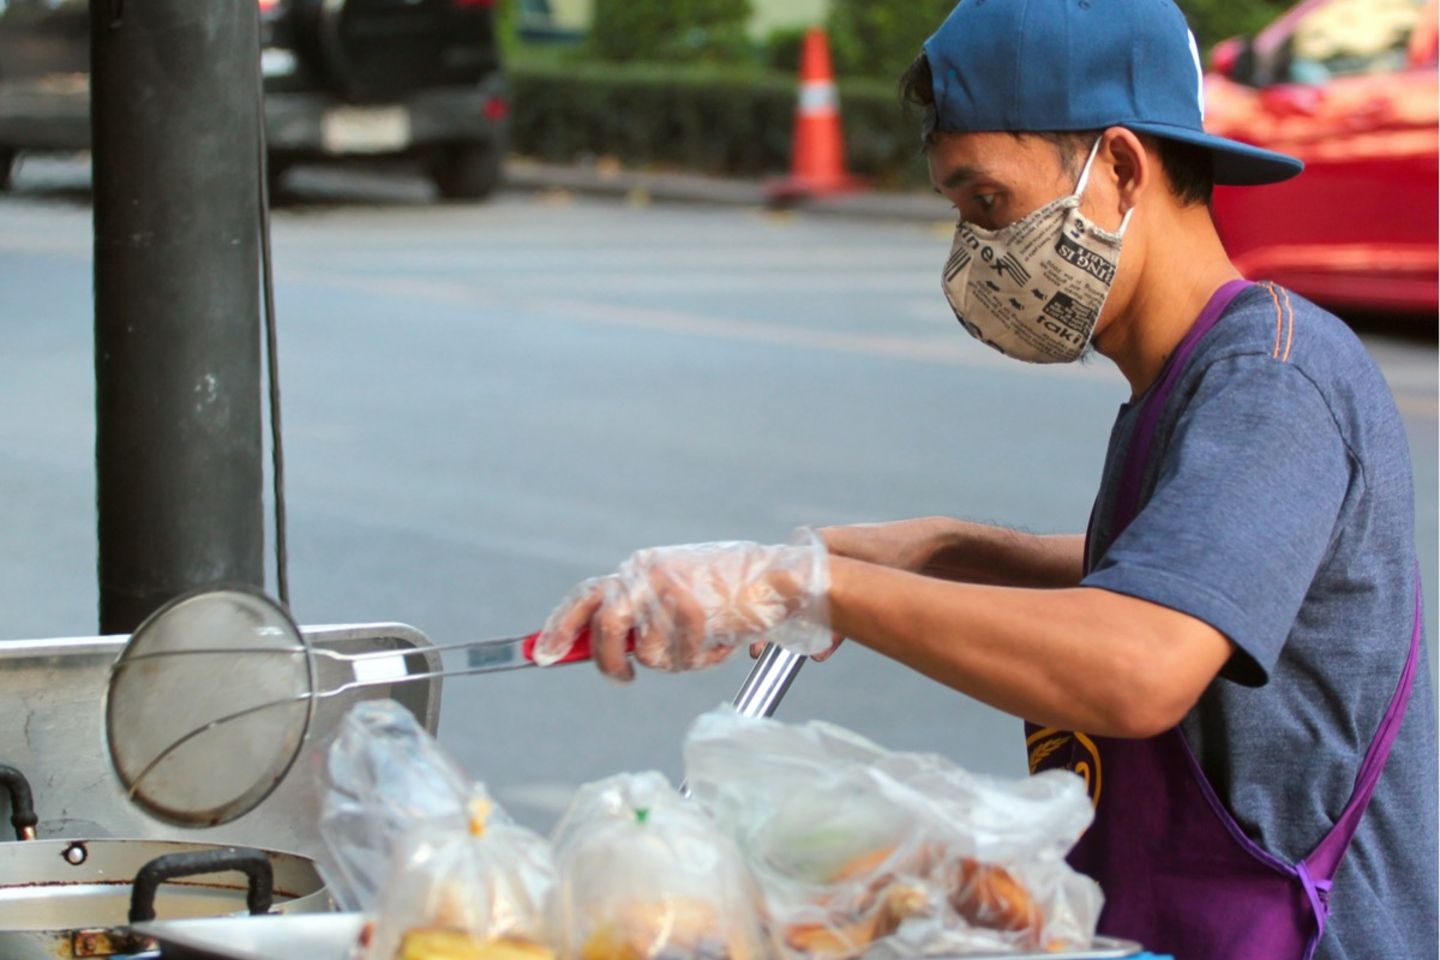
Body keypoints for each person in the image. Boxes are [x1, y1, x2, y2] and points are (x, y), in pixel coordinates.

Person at [535, 2, 1438, 958]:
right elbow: (1184, 574)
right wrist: (918, 552)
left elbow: (1139, 662)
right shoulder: (1193, 377)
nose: (976, 256)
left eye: (990, 205)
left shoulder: (1271, 381)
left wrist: (810, 586)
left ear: (1123, 169)